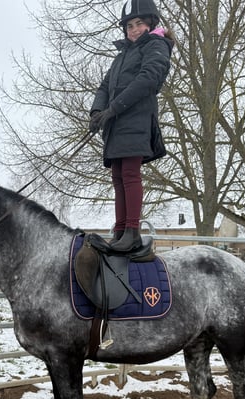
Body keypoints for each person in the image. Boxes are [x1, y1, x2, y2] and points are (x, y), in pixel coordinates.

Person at [88, 0, 174, 252]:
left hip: (135, 119)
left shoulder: (157, 45)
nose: (134, 30)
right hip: (116, 124)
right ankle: (120, 229)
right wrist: (96, 111)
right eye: (129, 26)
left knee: (130, 174)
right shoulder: (122, 56)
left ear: (151, 24)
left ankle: (132, 231)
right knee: (117, 176)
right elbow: (105, 86)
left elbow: (149, 78)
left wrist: (113, 108)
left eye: (139, 24)